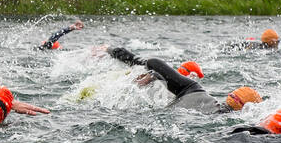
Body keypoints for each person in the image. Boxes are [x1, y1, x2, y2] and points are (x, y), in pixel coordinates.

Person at [102, 46, 262, 113]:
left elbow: (152, 62)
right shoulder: (218, 114)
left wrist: (111, 50)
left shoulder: (194, 90)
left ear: (230, 95)